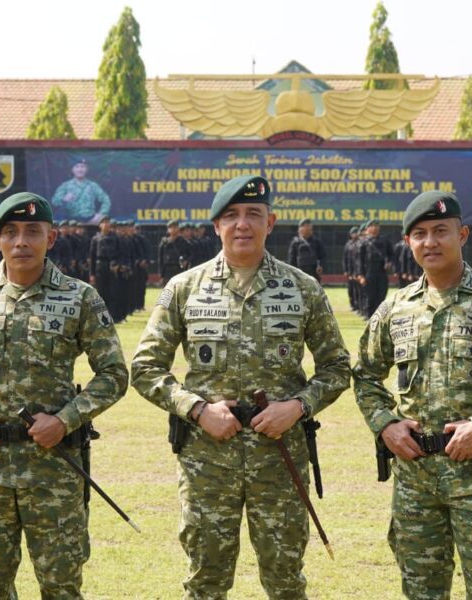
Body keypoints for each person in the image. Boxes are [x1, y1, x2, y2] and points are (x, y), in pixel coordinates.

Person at [131, 175, 351, 599]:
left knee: (286, 581)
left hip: (280, 458)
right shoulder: (184, 288)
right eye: (231, 215)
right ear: (216, 225)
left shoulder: (302, 288)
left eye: (254, 214)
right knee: (205, 580)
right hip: (207, 461)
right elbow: (145, 368)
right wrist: (197, 410)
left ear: (271, 222)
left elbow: (338, 367)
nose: (242, 224)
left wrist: (298, 406)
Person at [0, 192, 128, 599]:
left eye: (33, 231)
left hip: (54, 472)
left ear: (51, 238)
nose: (21, 241)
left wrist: (65, 420)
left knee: (61, 587)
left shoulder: (80, 297)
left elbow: (114, 374)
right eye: (10, 232)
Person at [353, 190, 472, 600]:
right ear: (408, 242)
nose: (430, 242)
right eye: (420, 234)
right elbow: (365, 376)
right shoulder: (395, 308)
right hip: (415, 482)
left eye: (441, 231)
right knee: (421, 591)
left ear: (462, 235)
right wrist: (386, 425)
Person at [51, 158, 111, 224]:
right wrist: (64, 199)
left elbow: (106, 200)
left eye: (82, 167)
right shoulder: (65, 186)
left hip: (89, 221)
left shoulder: (93, 186)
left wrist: (100, 215)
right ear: (72, 169)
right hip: (70, 222)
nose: (80, 170)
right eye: (77, 167)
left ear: (87, 169)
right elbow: (54, 202)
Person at [356, 219, 394, 319]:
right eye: (372, 226)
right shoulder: (363, 242)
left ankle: (380, 318)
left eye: (377, 226)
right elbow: (359, 260)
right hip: (369, 272)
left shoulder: (385, 240)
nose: (375, 228)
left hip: (382, 271)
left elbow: (391, 254)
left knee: (381, 295)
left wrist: (389, 262)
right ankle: (370, 317)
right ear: (368, 228)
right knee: (370, 297)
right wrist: (360, 275)